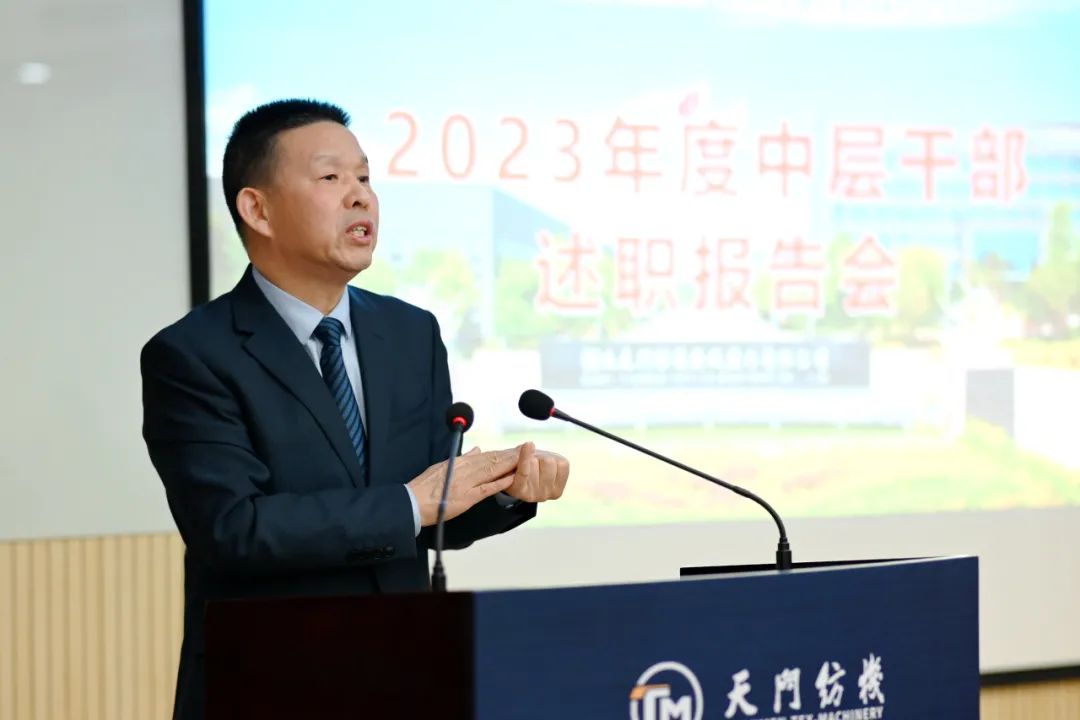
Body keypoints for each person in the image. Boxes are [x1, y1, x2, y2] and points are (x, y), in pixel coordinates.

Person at [140, 98, 570, 719]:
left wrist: (505, 491)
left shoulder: (410, 333)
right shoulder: (193, 355)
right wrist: (411, 503)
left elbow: (432, 514)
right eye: (330, 177)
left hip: (402, 675)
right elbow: (233, 530)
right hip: (268, 683)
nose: (361, 196)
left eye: (365, 177)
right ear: (257, 209)